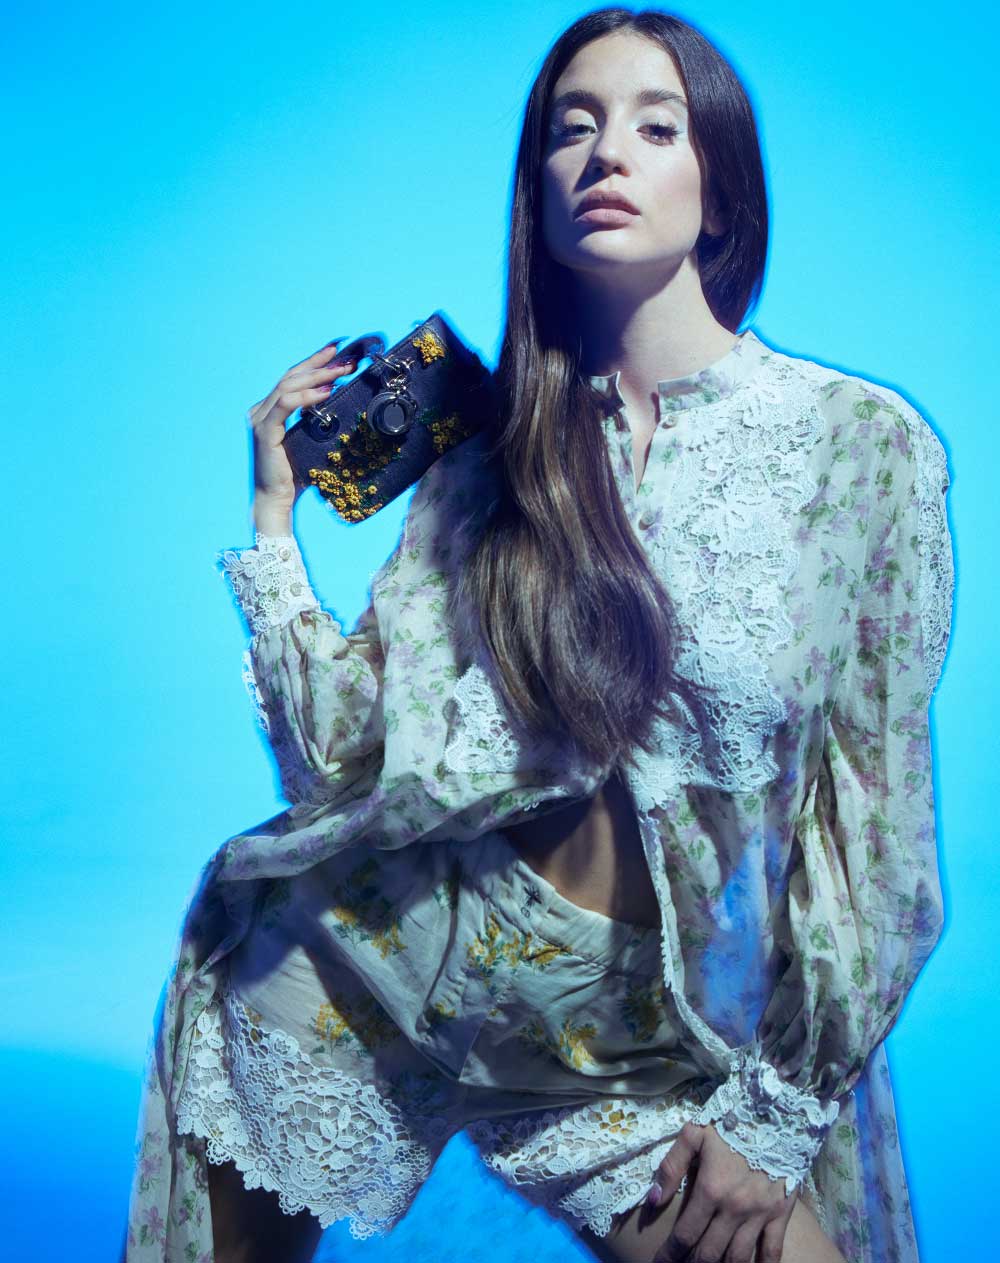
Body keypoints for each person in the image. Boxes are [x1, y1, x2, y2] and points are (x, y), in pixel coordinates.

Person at [118, 7, 955, 1263]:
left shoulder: (858, 450)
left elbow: (878, 837)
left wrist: (778, 1114)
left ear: (720, 192)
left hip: (631, 1046)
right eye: (573, 128)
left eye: (654, 127)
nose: (605, 153)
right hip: (373, 967)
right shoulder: (487, 455)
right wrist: (274, 525)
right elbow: (341, 761)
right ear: (538, 190)